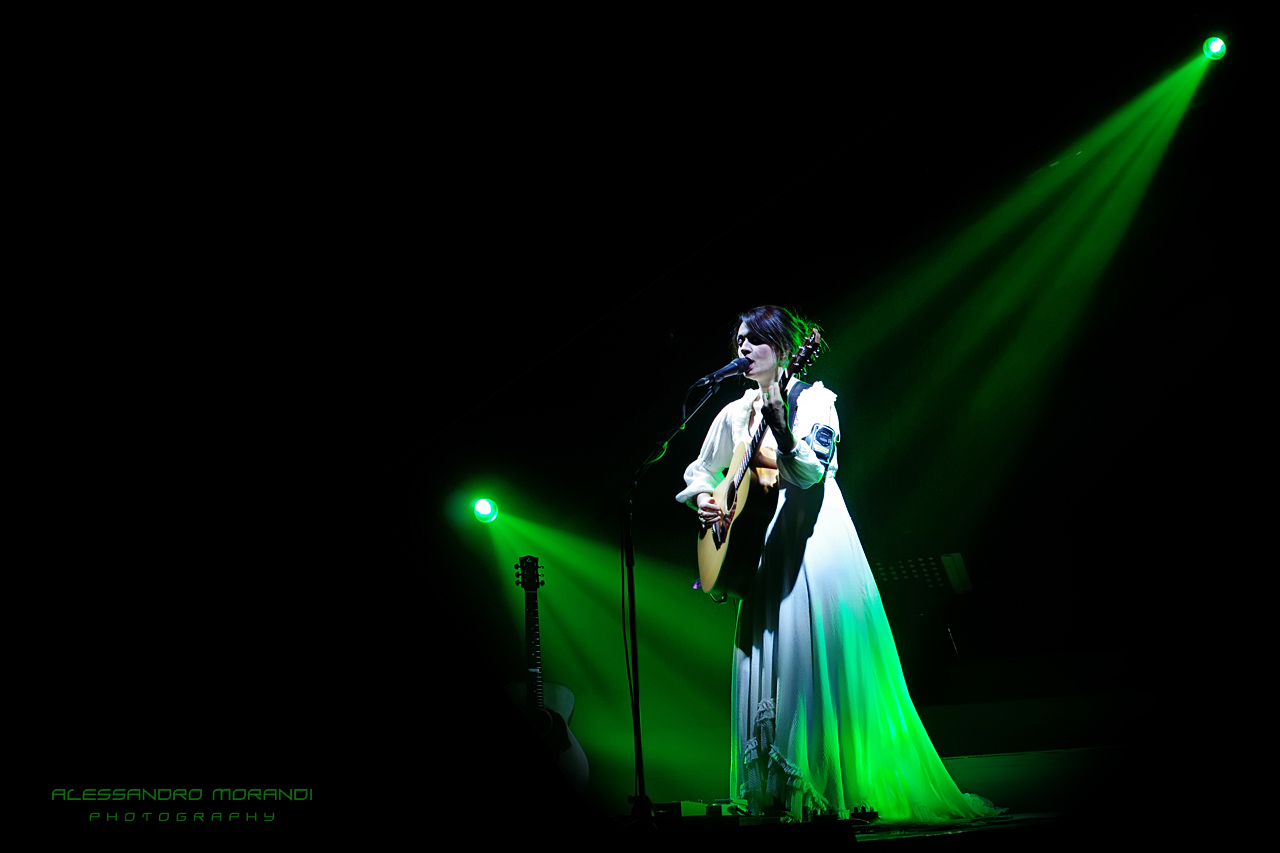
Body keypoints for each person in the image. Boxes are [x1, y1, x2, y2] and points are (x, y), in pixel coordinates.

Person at [676, 305, 1001, 823]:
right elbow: (700, 467)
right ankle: (773, 796)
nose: (741, 349)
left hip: (811, 544)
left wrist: (781, 427)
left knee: (811, 654)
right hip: (759, 549)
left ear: (782, 347)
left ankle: (833, 789)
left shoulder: (816, 400)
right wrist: (705, 498)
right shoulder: (734, 412)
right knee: (768, 652)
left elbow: (807, 474)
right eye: (737, 340)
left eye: (753, 340)